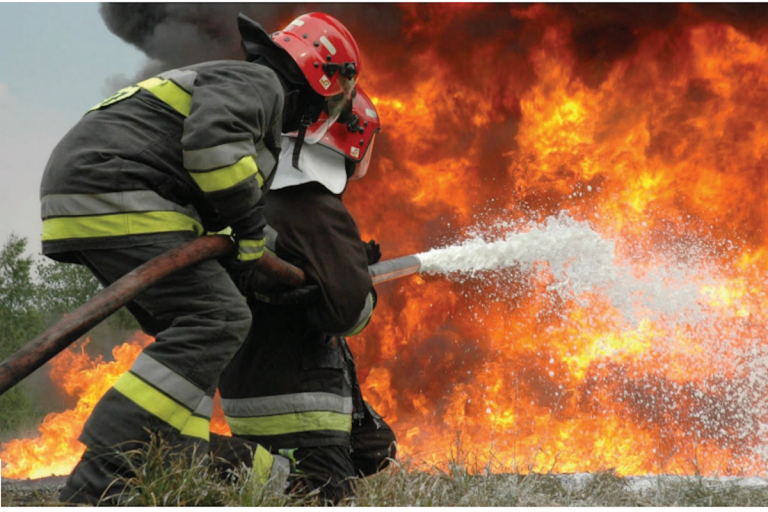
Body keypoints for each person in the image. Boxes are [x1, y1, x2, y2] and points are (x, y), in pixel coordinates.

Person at [39, 12, 362, 504]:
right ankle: (103, 473)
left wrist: (267, 262)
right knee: (218, 318)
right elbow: (212, 151)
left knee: (190, 336)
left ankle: (165, 462)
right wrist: (254, 237)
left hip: (94, 191)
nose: (327, 114)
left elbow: (216, 210)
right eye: (336, 100)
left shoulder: (238, 86)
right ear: (320, 77)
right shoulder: (260, 83)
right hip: (117, 185)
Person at [213, 88, 396, 504]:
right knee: (320, 497)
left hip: (247, 393)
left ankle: (263, 470)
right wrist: (357, 282)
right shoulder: (314, 204)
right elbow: (350, 314)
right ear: (352, 142)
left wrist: (343, 265)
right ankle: (211, 461)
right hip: (301, 404)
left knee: (376, 447)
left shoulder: (256, 198)